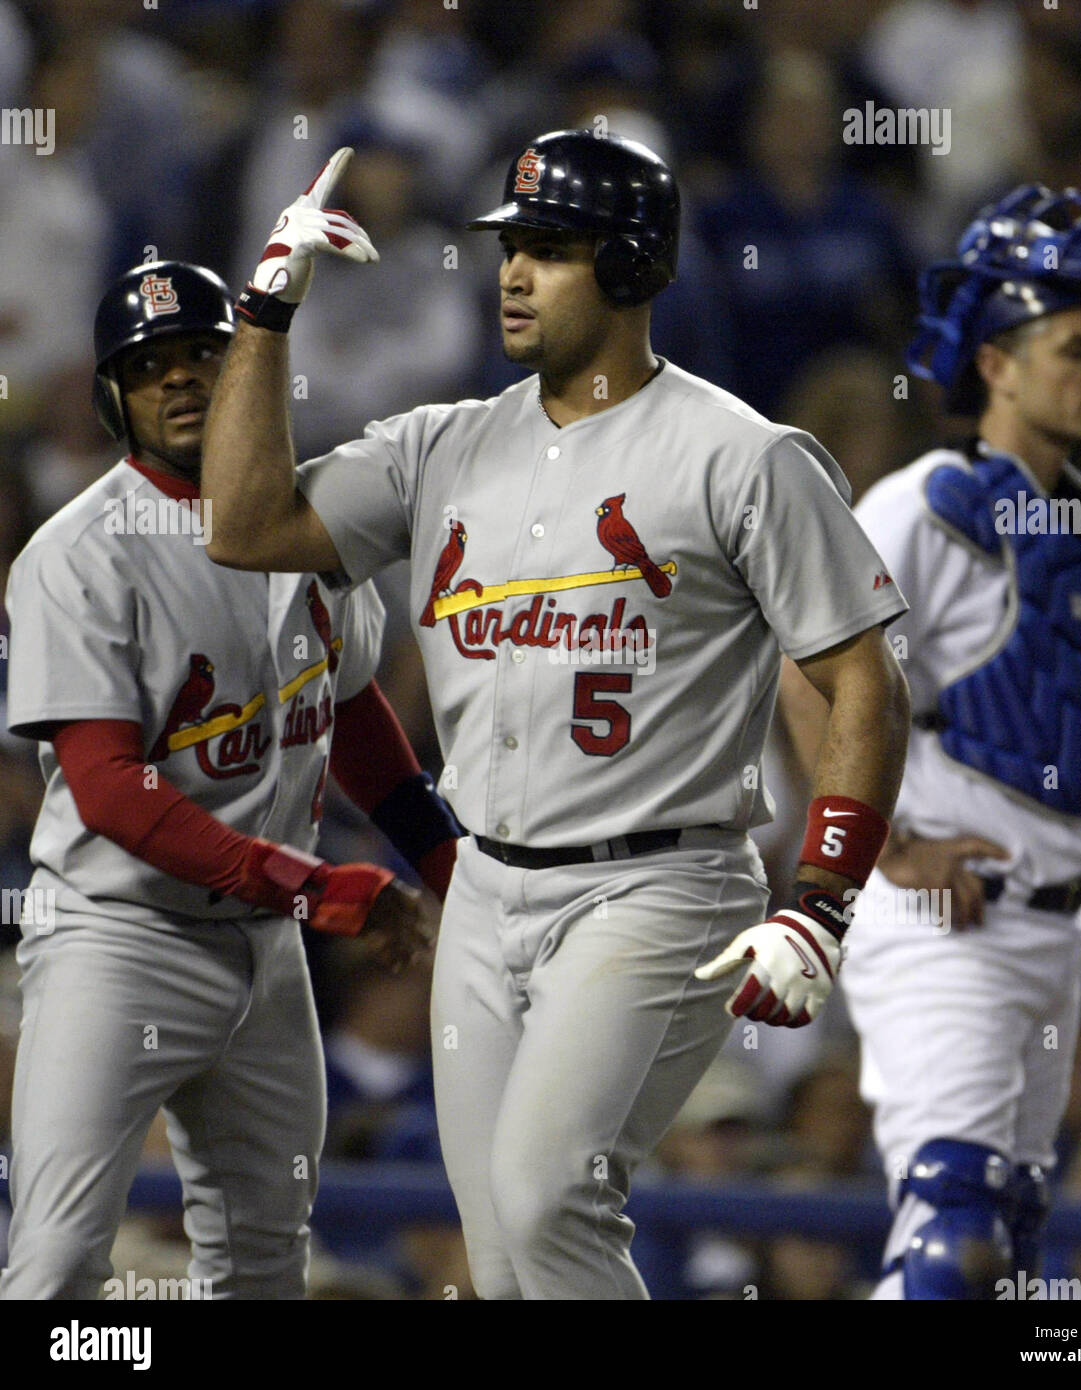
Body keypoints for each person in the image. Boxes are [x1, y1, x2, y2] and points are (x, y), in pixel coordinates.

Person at [201, 132, 911, 1300]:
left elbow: (865, 680)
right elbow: (243, 524)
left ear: (630, 268)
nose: (513, 274)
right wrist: (263, 319)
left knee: (546, 1201)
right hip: (480, 888)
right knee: (503, 1257)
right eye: (509, 248)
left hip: (658, 884)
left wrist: (823, 903)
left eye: (550, 249)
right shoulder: (443, 442)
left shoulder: (743, 455)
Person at [0, 260, 458, 1300]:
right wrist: (313, 887)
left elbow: (351, 716)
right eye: (150, 365)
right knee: (59, 1264)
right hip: (119, 941)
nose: (180, 380)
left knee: (263, 1261)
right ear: (116, 396)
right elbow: (112, 790)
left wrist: (448, 862)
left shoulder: (306, 523)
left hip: (262, 946)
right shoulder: (76, 555)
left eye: (204, 354)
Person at [831, 185, 1081, 1299]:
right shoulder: (919, 501)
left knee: (1008, 1251)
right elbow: (809, 667)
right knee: (951, 1240)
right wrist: (883, 850)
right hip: (945, 920)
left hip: (1050, 933)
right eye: (1073, 346)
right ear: (994, 362)